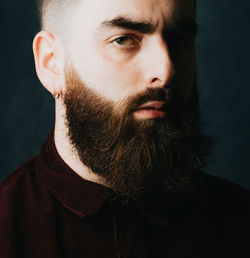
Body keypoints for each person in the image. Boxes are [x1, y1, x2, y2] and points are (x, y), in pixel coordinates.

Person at [0, 0, 249, 257]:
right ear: (51, 63)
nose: (165, 71)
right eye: (123, 40)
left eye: (179, 39)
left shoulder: (240, 223)